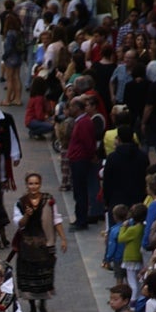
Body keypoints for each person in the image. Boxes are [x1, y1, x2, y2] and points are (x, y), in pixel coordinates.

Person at [13, 172, 68, 312]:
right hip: (27, 245)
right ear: (26, 185)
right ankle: (31, 306)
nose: (33, 186)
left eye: (36, 183)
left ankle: (42, 305)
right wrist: (27, 215)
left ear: (40, 184)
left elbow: (56, 219)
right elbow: (19, 224)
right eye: (31, 184)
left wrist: (63, 238)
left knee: (45, 276)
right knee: (29, 277)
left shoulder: (49, 200)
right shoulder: (21, 202)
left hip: (45, 244)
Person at [66, 96, 97, 231]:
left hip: (80, 160)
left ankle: (81, 220)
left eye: (72, 106)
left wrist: (89, 156)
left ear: (77, 108)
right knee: (78, 191)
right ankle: (79, 217)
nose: (70, 109)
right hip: (77, 159)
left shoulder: (84, 122)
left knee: (80, 191)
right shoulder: (81, 121)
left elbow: (88, 143)